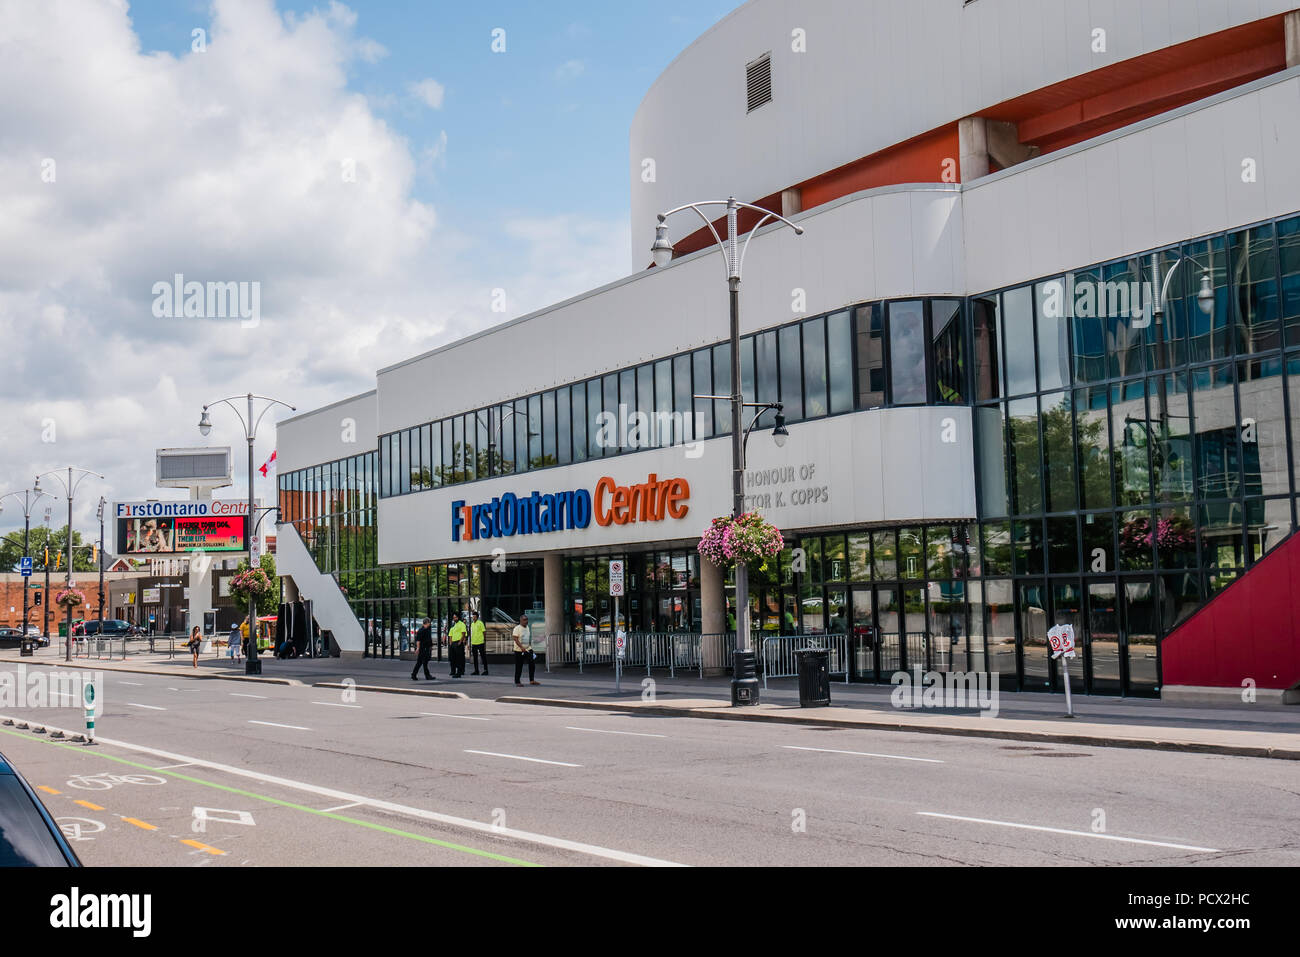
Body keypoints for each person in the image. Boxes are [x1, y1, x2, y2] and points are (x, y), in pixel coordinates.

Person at [512, 613, 539, 686]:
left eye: (527, 620)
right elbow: (515, 639)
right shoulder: (517, 628)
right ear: (520, 620)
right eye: (524, 620)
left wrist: (530, 647)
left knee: (532, 664)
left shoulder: (527, 627)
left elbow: (528, 638)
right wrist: (521, 647)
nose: (526, 621)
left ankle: (532, 680)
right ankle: (517, 681)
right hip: (519, 650)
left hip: (528, 649)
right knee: (519, 666)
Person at [411, 617, 436, 682]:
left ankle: (427, 675)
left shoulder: (427, 629)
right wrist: (418, 648)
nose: (430, 624)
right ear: (427, 623)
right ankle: (414, 674)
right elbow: (418, 641)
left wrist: (430, 647)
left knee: (425, 663)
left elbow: (428, 639)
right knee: (420, 662)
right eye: (429, 623)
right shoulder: (421, 630)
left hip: (427, 648)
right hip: (423, 649)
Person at [447, 612, 467, 678]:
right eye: (453, 618)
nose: (454, 618)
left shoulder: (462, 624)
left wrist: (460, 642)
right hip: (453, 643)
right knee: (452, 658)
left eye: (455, 617)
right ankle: (453, 671)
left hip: (458, 643)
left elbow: (463, 633)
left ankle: (459, 673)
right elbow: (450, 635)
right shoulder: (453, 625)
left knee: (459, 659)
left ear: (458, 617)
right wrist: (450, 643)